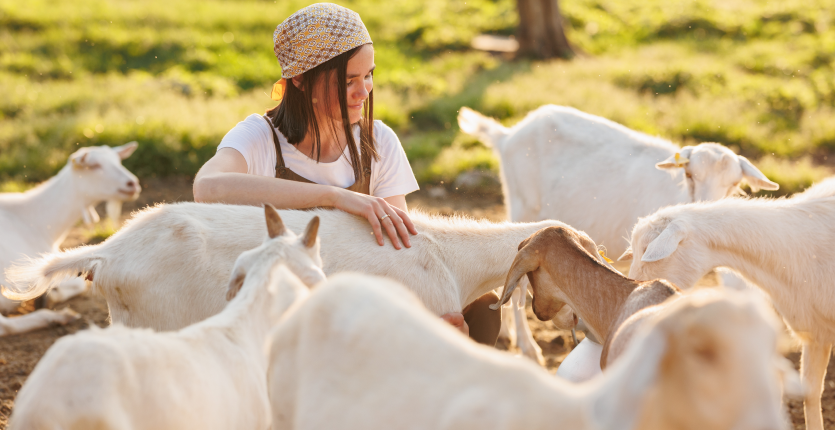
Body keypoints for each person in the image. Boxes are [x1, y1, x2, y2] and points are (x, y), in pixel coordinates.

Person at [193, 3, 499, 344]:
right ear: (300, 79)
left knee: (484, 307)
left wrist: (450, 334)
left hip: (364, 308)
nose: (364, 91)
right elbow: (207, 188)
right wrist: (334, 198)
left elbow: (403, 250)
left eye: (368, 75)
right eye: (348, 80)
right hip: (284, 318)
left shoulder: (378, 140)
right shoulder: (260, 138)